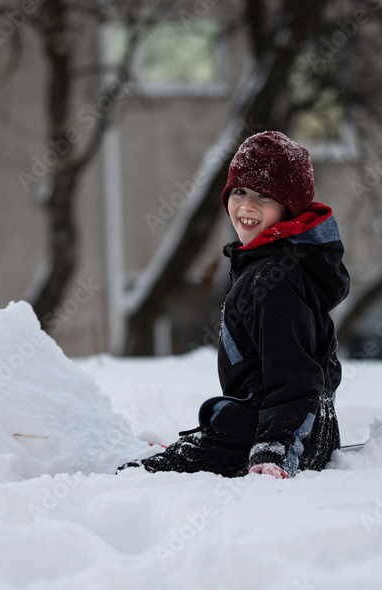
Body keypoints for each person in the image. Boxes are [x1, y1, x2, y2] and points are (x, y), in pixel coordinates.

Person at [119, 131, 350, 479]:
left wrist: (274, 449)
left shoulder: (274, 278)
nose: (248, 206)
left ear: (289, 208)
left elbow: (295, 376)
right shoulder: (268, 264)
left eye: (264, 196)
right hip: (287, 423)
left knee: (142, 478)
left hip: (279, 431)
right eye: (239, 191)